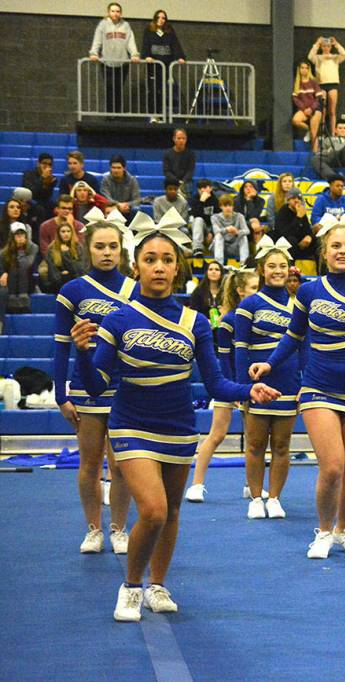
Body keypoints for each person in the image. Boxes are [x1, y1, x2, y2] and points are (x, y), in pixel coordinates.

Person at [69, 222, 278, 622]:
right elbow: (96, 387)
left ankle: (158, 584)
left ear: (178, 268)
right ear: (137, 267)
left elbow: (215, 381)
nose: (159, 267)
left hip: (179, 429)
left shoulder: (195, 322)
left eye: (167, 260)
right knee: (153, 511)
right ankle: (131, 586)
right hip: (131, 425)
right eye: (150, 260)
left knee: (173, 511)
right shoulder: (117, 320)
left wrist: (247, 391)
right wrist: (82, 353)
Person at [250, 222, 345, 559]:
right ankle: (324, 531)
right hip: (317, 388)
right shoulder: (310, 292)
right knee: (332, 467)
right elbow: (293, 335)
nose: (343, 251)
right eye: (336, 246)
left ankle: (344, 528)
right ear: (324, 252)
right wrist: (269, 363)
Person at [52, 220, 135, 556]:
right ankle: (93, 528)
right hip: (87, 389)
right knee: (89, 463)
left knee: (121, 465)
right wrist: (61, 395)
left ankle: (119, 528)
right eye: (100, 247)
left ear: (121, 249)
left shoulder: (134, 289)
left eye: (112, 247)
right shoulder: (72, 291)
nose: (106, 253)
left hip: (124, 391)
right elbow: (60, 345)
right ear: (88, 249)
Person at [235, 240, 301, 520]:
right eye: (272, 266)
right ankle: (256, 496)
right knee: (255, 444)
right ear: (261, 270)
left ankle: (275, 498)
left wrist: (305, 384)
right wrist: (242, 387)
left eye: (282, 266)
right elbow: (240, 348)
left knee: (283, 445)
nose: (277, 271)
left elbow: (305, 347)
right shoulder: (248, 305)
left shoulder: (300, 306)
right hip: (257, 383)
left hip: (289, 381)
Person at [186, 269, 260, 502]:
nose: (258, 292)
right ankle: (197, 484)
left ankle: (251, 484)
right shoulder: (228, 321)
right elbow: (224, 357)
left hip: (253, 383)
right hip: (228, 384)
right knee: (217, 434)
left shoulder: (260, 318)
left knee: (253, 437)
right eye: (253, 288)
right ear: (240, 291)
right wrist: (232, 388)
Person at [88, 2, 140, 114]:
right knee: (110, 89)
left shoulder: (126, 25)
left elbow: (130, 41)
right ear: (108, 12)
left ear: (121, 13)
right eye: (113, 11)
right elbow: (97, 40)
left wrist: (134, 54)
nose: (115, 13)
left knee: (118, 89)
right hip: (107, 63)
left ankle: (117, 113)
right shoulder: (103, 25)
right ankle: (110, 114)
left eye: (117, 11)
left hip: (122, 63)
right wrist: (94, 52)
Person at [140, 9, 185, 120]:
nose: (160, 20)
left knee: (162, 91)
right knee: (153, 90)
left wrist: (180, 57)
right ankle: (152, 115)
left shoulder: (169, 31)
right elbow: (145, 44)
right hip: (153, 66)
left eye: (163, 18)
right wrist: (146, 56)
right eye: (158, 18)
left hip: (165, 66)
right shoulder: (149, 30)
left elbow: (175, 45)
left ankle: (160, 115)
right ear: (155, 19)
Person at [307, 36, 345, 130]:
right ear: (321, 47)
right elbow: (310, 56)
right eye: (324, 46)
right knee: (322, 110)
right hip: (321, 84)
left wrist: (336, 44)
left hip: (333, 84)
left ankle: (333, 132)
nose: (326, 48)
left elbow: (344, 54)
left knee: (332, 110)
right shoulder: (317, 58)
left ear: (330, 47)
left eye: (328, 46)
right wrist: (317, 43)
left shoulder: (335, 57)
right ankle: (322, 130)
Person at [1, 223, 39, 313]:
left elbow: (25, 264)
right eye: (17, 235)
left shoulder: (33, 248)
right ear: (12, 237)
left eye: (22, 234)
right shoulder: (4, 252)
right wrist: (4, 273)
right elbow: (2, 266)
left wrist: (20, 252)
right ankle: (12, 301)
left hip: (28, 281)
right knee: (12, 271)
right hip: (11, 282)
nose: (20, 237)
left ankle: (23, 301)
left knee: (18, 269)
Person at [42, 221, 87, 293]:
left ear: (72, 233)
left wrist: (65, 255)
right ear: (58, 234)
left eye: (68, 231)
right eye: (63, 231)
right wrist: (64, 275)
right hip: (58, 286)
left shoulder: (78, 247)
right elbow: (53, 274)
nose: (66, 234)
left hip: (76, 284)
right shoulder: (51, 249)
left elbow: (80, 270)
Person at [272, 188, 315, 261]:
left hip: (301, 244)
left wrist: (309, 237)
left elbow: (308, 230)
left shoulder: (301, 211)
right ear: (288, 200)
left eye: (299, 198)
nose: (296, 200)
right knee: (292, 240)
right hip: (286, 242)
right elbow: (285, 233)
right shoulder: (283, 212)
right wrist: (298, 217)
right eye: (293, 198)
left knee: (316, 240)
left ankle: (320, 270)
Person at [21, 153, 58, 227]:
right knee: (39, 208)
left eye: (49, 164)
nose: (47, 166)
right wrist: (42, 178)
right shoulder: (28, 174)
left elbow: (47, 196)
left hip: (43, 201)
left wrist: (47, 183)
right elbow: (31, 193)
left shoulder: (52, 178)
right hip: (29, 201)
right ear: (38, 163)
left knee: (55, 206)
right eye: (44, 163)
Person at [292, 60, 324, 144]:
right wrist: (304, 109)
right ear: (299, 69)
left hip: (315, 109)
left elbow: (319, 98)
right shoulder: (296, 83)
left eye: (306, 68)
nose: (304, 70)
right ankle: (309, 129)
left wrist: (311, 108)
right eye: (302, 68)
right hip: (304, 110)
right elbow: (295, 99)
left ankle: (315, 153)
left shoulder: (313, 82)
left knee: (314, 134)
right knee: (295, 120)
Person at [212, 194, 250, 264]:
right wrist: (227, 229)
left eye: (230, 205)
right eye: (225, 206)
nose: (228, 208)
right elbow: (216, 231)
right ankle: (219, 264)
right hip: (220, 246)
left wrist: (237, 232)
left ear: (233, 206)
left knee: (243, 236)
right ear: (221, 206)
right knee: (218, 235)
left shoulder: (239, 216)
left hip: (235, 246)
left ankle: (244, 264)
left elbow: (247, 231)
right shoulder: (215, 217)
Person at [189, 179, 218, 256]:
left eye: (205, 187)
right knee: (198, 219)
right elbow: (195, 216)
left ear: (211, 188)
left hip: (212, 228)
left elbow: (218, 219)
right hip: (198, 228)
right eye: (199, 188)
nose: (202, 190)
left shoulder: (215, 200)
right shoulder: (194, 199)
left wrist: (211, 232)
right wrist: (201, 201)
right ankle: (197, 249)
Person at [163, 129, 196, 196]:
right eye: (179, 138)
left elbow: (190, 171)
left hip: (186, 182)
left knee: (188, 186)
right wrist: (177, 181)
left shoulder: (191, 154)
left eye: (183, 138)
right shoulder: (167, 154)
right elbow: (167, 171)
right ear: (174, 139)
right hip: (172, 182)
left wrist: (183, 182)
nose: (181, 140)